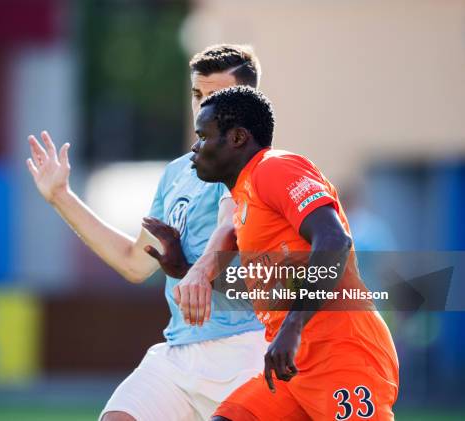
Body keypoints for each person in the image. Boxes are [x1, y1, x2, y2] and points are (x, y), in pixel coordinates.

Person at [26, 45, 269, 421]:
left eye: (217, 97)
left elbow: (230, 220)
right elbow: (135, 264)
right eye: (198, 95)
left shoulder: (258, 164)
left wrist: (200, 269)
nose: (204, 107)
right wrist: (61, 197)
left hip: (245, 351)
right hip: (179, 351)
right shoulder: (177, 173)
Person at [188, 86, 399, 420]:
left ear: (239, 137)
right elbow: (270, 280)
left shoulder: (274, 168)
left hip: (342, 352)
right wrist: (180, 266)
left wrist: (293, 325)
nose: (195, 146)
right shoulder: (245, 198)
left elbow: (333, 240)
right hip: (291, 365)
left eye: (203, 135)